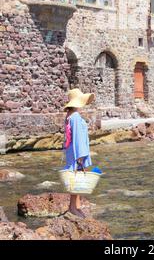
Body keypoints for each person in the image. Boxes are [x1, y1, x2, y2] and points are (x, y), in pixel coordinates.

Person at [63, 88, 95, 218]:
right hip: (77, 152)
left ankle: (76, 206)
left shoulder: (69, 116)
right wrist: (81, 156)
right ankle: (72, 208)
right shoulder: (75, 117)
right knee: (76, 180)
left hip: (72, 151)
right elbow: (77, 137)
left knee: (76, 179)